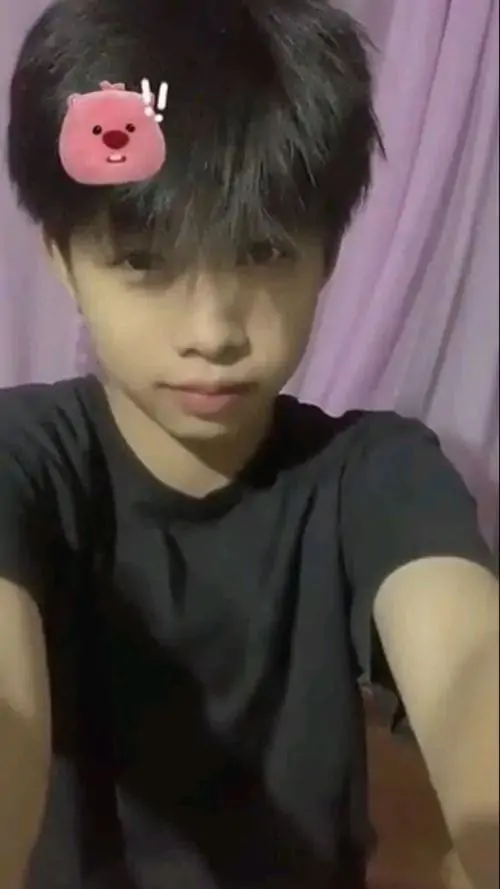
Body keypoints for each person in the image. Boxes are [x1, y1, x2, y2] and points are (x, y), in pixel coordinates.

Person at [1, 1, 498, 887]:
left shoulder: (376, 475)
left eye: (264, 253)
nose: (213, 332)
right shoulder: (20, 460)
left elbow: (470, 665)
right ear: (61, 258)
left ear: (328, 255)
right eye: (145, 260)